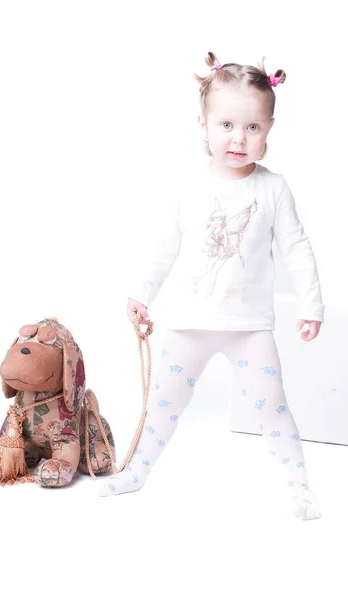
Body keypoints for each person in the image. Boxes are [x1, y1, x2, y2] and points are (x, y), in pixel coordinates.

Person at [97, 52, 324, 520]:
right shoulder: (188, 187)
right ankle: (136, 471)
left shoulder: (273, 189)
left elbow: (297, 249)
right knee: (163, 403)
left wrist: (311, 304)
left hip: (249, 327)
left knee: (273, 409)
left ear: (269, 129)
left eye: (252, 128)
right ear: (203, 124)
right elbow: (163, 248)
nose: (238, 139)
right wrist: (141, 293)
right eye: (226, 125)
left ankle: (300, 487)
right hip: (188, 322)